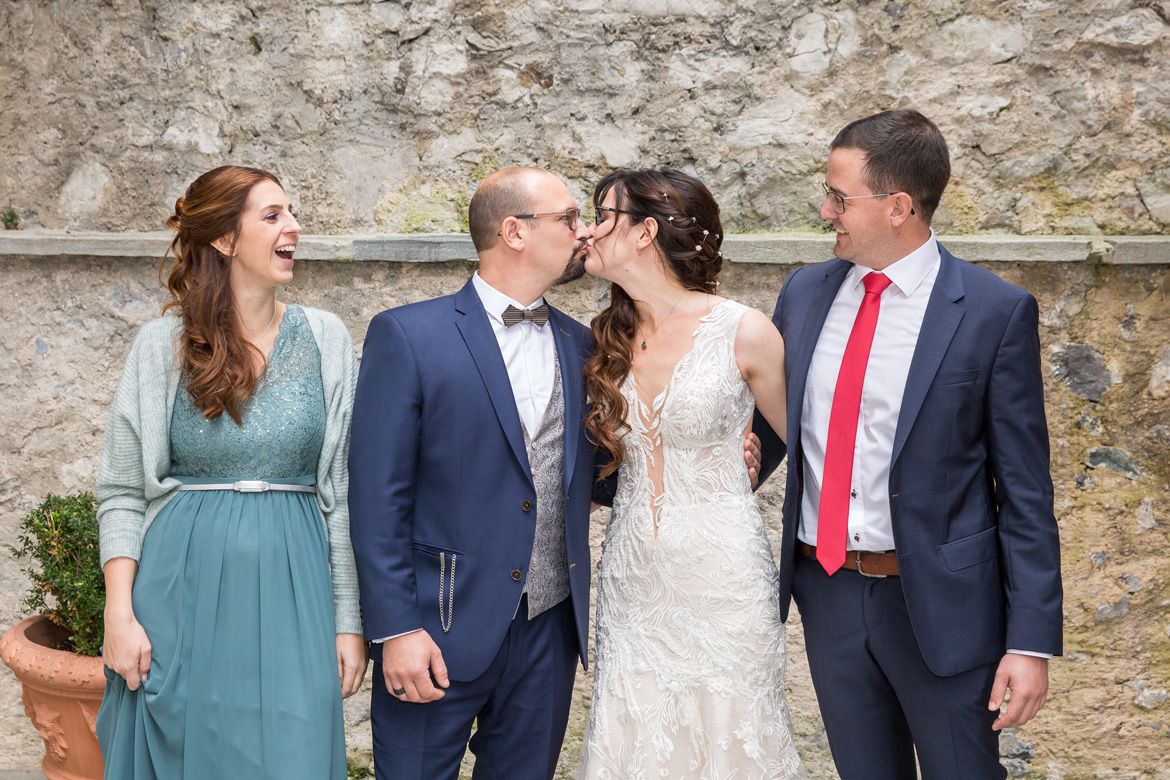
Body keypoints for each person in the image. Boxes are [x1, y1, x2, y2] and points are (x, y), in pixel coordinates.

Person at [754, 108, 1064, 779]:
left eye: (839, 196)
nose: (825, 209)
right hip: (827, 588)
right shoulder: (805, 293)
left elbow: (1026, 492)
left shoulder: (991, 312)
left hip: (943, 604)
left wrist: (1031, 642)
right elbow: (778, 427)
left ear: (898, 206)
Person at [95, 165, 367, 779]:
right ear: (224, 238)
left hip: (297, 588)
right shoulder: (161, 344)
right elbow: (119, 490)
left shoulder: (325, 338)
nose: (293, 227)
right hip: (178, 589)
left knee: (294, 756)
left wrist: (348, 620)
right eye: (272, 216)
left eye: (291, 213)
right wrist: (120, 615)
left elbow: (343, 494)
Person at [347, 167, 601, 779]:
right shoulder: (408, 335)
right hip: (436, 626)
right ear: (514, 231)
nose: (583, 230)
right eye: (569, 218)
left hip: (549, 627)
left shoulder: (582, 344)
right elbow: (377, 496)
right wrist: (395, 628)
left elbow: (590, 476)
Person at [577, 169, 804, 778]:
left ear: (645, 231)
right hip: (633, 578)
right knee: (636, 736)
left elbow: (807, 444)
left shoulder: (744, 331)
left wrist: (747, 459)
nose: (586, 230)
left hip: (721, 576)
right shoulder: (605, 339)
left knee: (729, 734)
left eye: (602, 216)